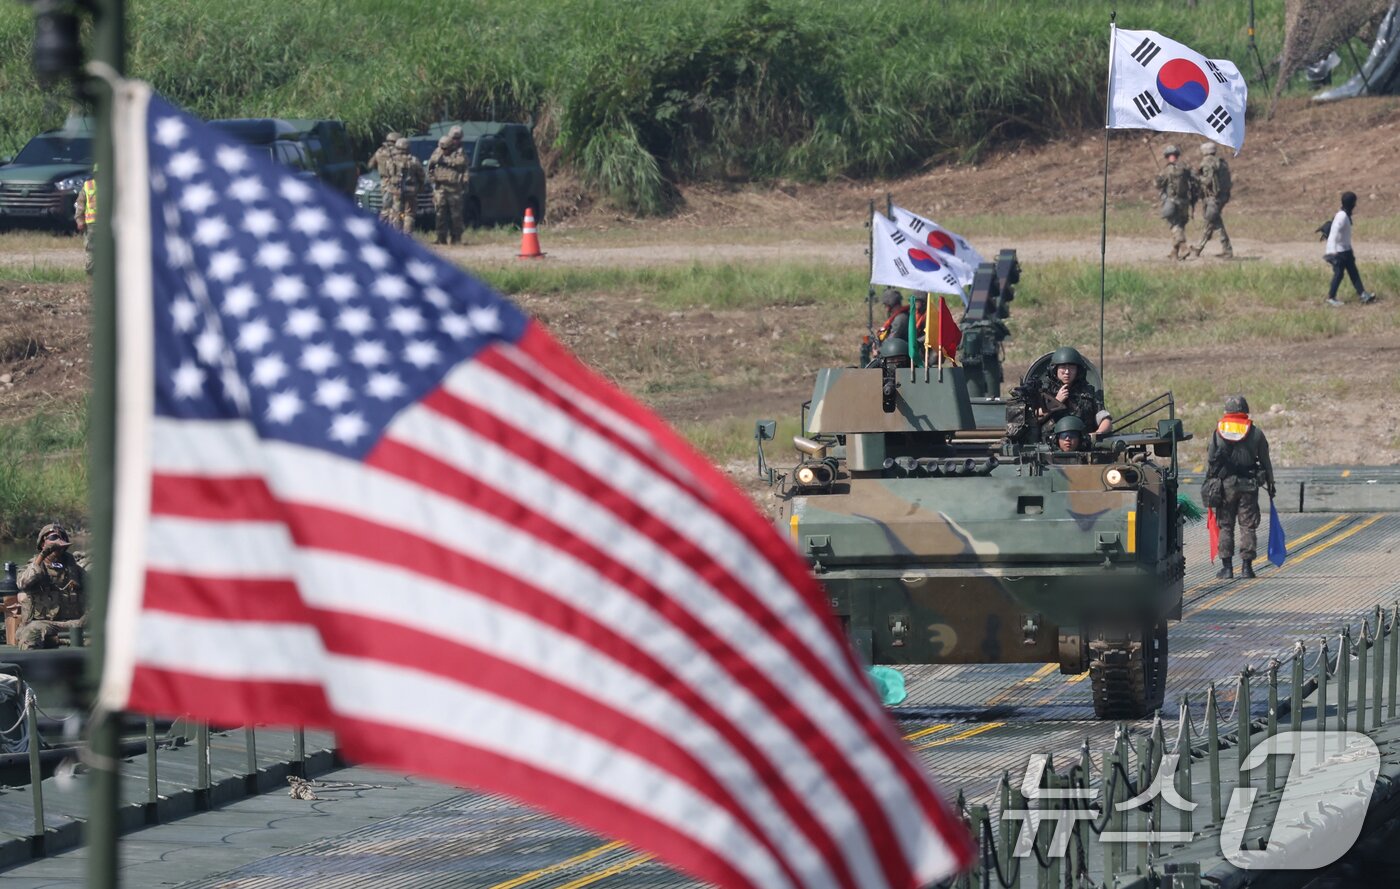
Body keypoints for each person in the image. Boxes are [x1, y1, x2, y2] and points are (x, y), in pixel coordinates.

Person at [1206, 395, 1275, 580]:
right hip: (1249, 485)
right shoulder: (1256, 433)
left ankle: (1227, 569)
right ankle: (1247, 568)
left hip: (1225, 486)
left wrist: (1209, 484)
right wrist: (1271, 483)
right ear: (1245, 410)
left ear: (1226, 411)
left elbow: (1211, 462)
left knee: (1225, 526)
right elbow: (1266, 462)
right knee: (1248, 526)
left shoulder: (1217, 432)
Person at [14, 523, 88, 650]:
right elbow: (23, 583)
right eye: (53, 538)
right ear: (43, 543)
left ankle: (60, 641)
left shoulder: (75, 570)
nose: (57, 544)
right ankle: (59, 642)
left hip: (74, 623)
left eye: (61, 538)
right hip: (44, 624)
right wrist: (43, 555)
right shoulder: (35, 567)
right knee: (30, 634)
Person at [1030, 347, 1112, 439]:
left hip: (1083, 443)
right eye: (1063, 368)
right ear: (1055, 369)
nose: (1067, 372)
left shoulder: (1087, 392)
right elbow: (1033, 419)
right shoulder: (1044, 392)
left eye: (1072, 368)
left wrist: (1097, 433)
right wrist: (1056, 402)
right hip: (1050, 445)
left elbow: (1104, 418)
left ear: (1078, 370)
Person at [1324, 191, 1377, 307]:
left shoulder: (1345, 215)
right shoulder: (1342, 216)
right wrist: (1332, 251)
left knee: (1354, 273)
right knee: (1339, 274)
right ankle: (1330, 298)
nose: (1355, 205)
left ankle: (1363, 294)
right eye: (1354, 202)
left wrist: (1349, 249)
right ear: (1350, 203)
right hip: (1339, 252)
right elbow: (1334, 234)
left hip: (1346, 251)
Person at [1155, 145, 1199, 261]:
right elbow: (1196, 180)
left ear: (1167, 157)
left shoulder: (1165, 170)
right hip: (1185, 201)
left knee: (1174, 225)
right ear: (1177, 156)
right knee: (1181, 225)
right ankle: (1174, 253)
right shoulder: (1185, 168)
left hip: (1172, 202)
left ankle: (1184, 247)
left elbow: (1158, 185)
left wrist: (1158, 178)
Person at [428, 127, 470, 245]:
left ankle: (456, 238)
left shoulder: (460, 152)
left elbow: (462, 163)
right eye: (453, 138)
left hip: (454, 188)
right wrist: (432, 180)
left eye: (457, 139)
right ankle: (440, 238)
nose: (455, 141)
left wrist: (446, 160)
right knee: (440, 213)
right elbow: (430, 166)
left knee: (455, 215)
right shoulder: (439, 150)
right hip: (440, 187)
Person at [1191, 142, 1232, 259]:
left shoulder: (1207, 162)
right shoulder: (1222, 162)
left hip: (1213, 198)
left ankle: (1199, 248)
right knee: (1215, 221)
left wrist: (1196, 176)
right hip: (1222, 197)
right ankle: (1225, 249)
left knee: (1211, 221)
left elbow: (1207, 181)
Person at [383, 137, 425, 235]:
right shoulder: (413, 161)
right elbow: (422, 176)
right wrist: (419, 187)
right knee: (409, 214)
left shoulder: (391, 160)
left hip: (396, 191)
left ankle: (397, 235)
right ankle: (407, 235)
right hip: (410, 191)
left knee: (396, 213)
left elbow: (388, 175)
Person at [73, 163, 97, 276]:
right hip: (93, 225)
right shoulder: (88, 186)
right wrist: (79, 220)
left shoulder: (89, 186)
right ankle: (91, 272)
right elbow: (80, 204)